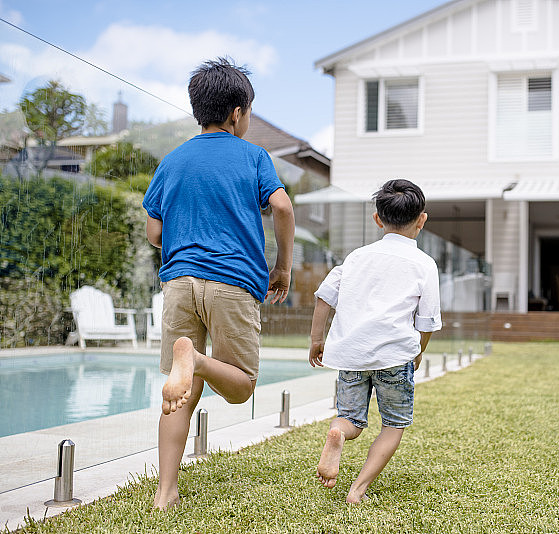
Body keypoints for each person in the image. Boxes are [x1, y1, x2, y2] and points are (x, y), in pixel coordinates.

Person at [142, 58, 295, 510]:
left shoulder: (173, 160)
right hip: (232, 283)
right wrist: (282, 267)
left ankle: (164, 495)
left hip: (179, 282)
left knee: (178, 394)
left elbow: (153, 232)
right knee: (242, 383)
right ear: (236, 113)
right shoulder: (252, 156)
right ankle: (201, 363)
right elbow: (282, 208)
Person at [309, 179, 441, 504]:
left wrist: (316, 340)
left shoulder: (356, 257)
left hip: (351, 355)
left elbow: (324, 296)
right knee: (393, 425)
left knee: (350, 417)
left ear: (377, 219)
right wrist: (419, 352)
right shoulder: (424, 264)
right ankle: (358, 489)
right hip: (396, 356)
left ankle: (338, 433)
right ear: (421, 219)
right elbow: (427, 321)